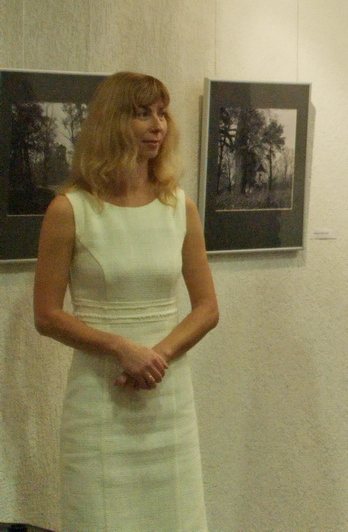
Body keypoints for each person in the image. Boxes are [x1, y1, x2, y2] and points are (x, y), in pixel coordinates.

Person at [33, 71, 219, 532]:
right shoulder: (69, 209)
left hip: (167, 401)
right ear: (112, 122)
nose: (158, 125)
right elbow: (47, 316)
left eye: (162, 113)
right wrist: (121, 349)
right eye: (142, 114)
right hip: (99, 402)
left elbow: (207, 309)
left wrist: (157, 357)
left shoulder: (179, 206)